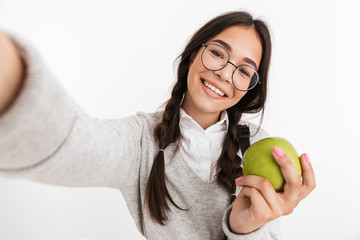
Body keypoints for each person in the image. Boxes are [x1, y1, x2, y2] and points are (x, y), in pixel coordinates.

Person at [0, 11, 316, 240]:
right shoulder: (141, 143)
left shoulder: (260, 145)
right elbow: (71, 144)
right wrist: (15, 81)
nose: (224, 74)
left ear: (250, 88)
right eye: (218, 53)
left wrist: (244, 228)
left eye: (244, 71)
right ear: (193, 56)